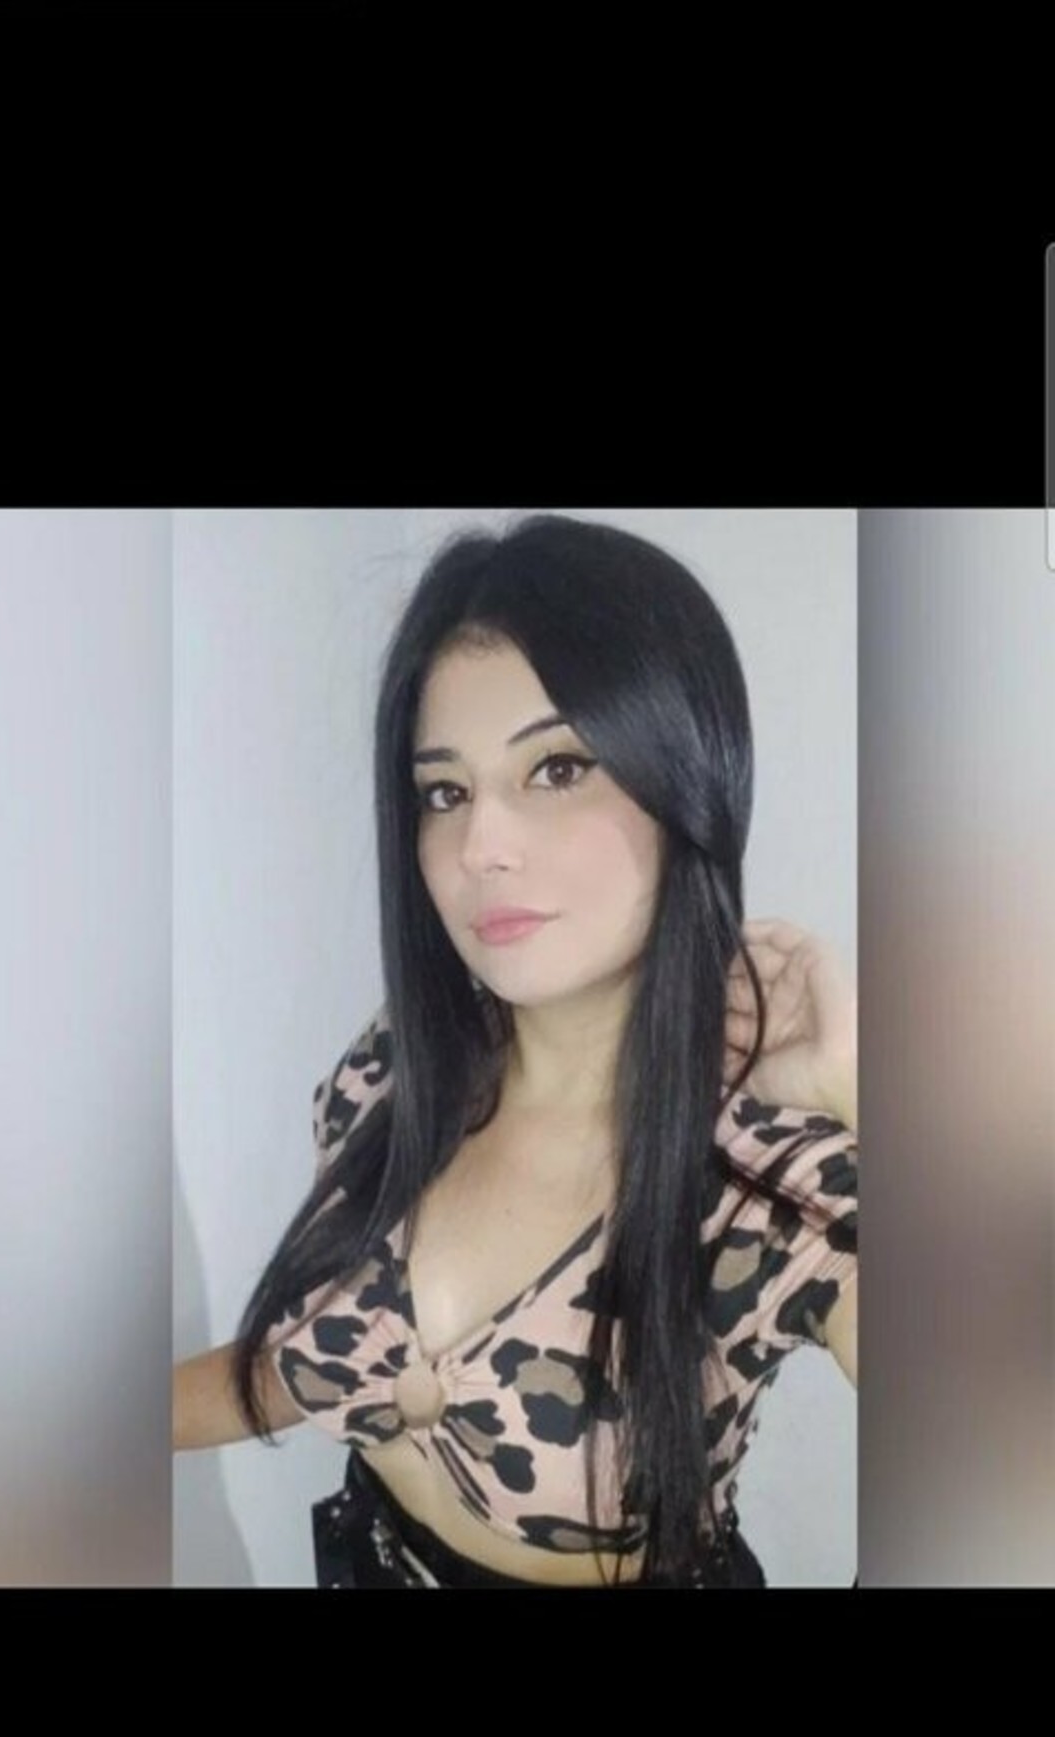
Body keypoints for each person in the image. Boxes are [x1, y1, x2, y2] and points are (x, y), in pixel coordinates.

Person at [173, 514, 858, 1587]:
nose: (480, 847)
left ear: (687, 782)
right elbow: (291, 1372)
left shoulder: (777, 1179)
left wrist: (866, 1093)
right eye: (444, 791)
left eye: (557, 768)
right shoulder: (394, 1071)